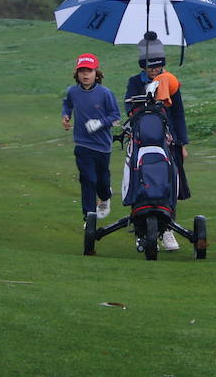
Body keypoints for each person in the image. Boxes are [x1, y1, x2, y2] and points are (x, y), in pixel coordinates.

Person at [125, 31, 189, 251]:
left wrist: (182, 142)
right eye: (151, 68)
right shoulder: (135, 82)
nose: (155, 72)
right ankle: (141, 227)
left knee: (171, 179)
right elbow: (129, 107)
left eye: (158, 68)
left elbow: (178, 113)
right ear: (143, 66)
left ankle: (167, 227)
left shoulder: (171, 81)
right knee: (138, 174)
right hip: (142, 137)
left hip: (168, 139)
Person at [61, 52, 120, 220]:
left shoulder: (105, 93)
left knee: (101, 181)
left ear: (96, 73)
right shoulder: (72, 91)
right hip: (82, 143)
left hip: (102, 145)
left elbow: (115, 116)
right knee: (87, 179)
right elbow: (67, 104)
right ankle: (89, 216)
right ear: (77, 74)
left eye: (89, 71)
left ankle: (105, 197)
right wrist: (66, 116)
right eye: (82, 71)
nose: (85, 74)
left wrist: (100, 123)